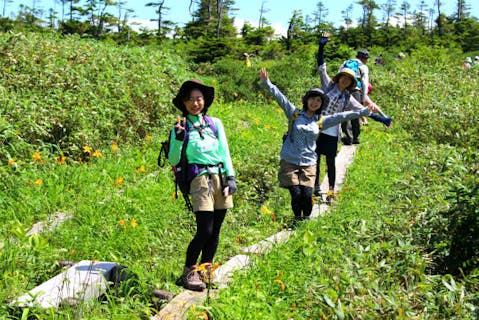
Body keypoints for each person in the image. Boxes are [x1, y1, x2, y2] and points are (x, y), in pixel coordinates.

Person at [258, 67, 376, 224]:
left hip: (309, 162)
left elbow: (342, 115)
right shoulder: (294, 114)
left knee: (307, 195)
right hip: (290, 160)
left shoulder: (321, 121)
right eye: (312, 99)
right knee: (296, 193)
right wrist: (268, 83)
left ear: (321, 104)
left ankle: (305, 218)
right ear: (306, 100)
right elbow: (281, 98)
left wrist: (361, 112)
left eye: (318, 100)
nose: (315, 102)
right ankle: (297, 219)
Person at [168, 79, 237, 291]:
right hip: (199, 179)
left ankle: (206, 270)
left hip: (220, 177)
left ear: (204, 101)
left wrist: (231, 177)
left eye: (198, 99)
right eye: (189, 100)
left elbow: (224, 150)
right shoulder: (180, 127)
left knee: (216, 230)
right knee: (204, 230)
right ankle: (189, 271)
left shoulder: (215, 123)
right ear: (183, 103)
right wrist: (179, 139)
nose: (194, 103)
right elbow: (172, 159)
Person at [314, 34, 391, 203]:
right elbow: (321, 67)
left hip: (333, 132)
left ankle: (331, 190)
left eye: (348, 79)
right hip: (317, 128)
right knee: (316, 159)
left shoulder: (348, 97)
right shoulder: (328, 85)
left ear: (350, 82)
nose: (345, 80)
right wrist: (321, 47)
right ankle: (316, 188)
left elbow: (362, 111)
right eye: (343, 77)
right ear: (339, 77)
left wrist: (381, 119)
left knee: (331, 161)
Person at [339, 49, 370, 145]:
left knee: (345, 111)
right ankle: (355, 137)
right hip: (356, 90)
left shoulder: (346, 62)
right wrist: (364, 96)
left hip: (345, 88)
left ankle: (348, 137)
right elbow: (365, 82)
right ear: (364, 58)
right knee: (356, 112)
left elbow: (339, 73)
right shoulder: (363, 66)